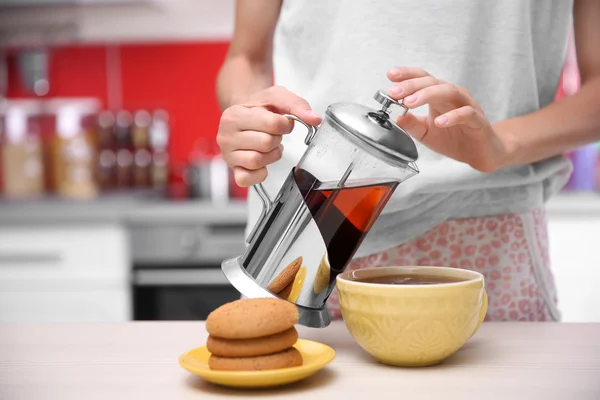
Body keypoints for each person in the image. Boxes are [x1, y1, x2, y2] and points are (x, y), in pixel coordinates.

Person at [215, 0, 600, 322]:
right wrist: (248, 110)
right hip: (298, 234)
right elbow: (245, 58)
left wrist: (503, 143)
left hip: (490, 243)